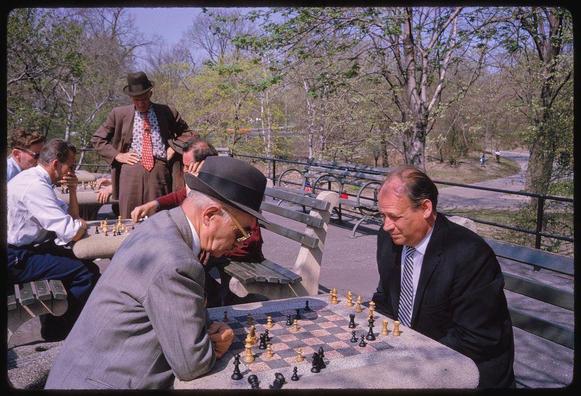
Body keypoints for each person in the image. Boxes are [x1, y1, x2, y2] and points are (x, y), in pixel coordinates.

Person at [45, 156, 268, 389]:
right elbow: (192, 365)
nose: (240, 242)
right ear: (210, 215)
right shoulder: (175, 262)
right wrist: (214, 345)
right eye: (240, 232)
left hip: (82, 372)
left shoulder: (159, 223)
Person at [372, 165, 515, 388]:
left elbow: (476, 338)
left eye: (395, 216)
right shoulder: (389, 239)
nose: (386, 225)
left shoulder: (469, 254)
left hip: (467, 369)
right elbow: (385, 299)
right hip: (413, 356)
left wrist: (410, 358)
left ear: (426, 208)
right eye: (383, 215)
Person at [7, 138, 101, 340]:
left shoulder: (36, 179)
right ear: (56, 164)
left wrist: (74, 190)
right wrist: (81, 225)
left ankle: (59, 324)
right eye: (71, 165)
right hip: (15, 259)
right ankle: (59, 334)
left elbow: (70, 218)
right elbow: (72, 230)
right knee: (86, 273)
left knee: (83, 263)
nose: (72, 171)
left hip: (26, 250)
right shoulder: (35, 186)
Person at [91, 71, 189, 218]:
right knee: (130, 218)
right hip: (130, 173)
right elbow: (98, 139)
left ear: (150, 93)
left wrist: (174, 147)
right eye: (136, 99)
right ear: (131, 98)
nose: (141, 103)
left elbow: (188, 133)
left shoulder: (166, 112)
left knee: (159, 217)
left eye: (144, 98)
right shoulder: (119, 114)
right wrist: (117, 155)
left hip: (159, 172)